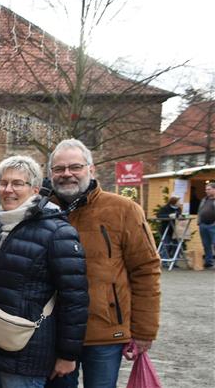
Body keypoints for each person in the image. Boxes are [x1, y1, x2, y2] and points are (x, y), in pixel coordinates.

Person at [0, 155, 88, 388]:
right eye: (3, 183)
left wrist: (68, 355)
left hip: (28, 353)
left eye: (18, 183)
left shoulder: (58, 231)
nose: (8, 190)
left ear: (35, 190)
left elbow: (75, 299)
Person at [46, 139, 160, 388]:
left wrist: (144, 330)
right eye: (59, 169)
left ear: (91, 169)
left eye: (75, 167)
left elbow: (146, 270)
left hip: (106, 331)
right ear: (51, 174)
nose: (67, 174)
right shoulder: (42, 211)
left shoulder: (123, 210)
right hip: (56, 332)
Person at [156, 196, 181, 262]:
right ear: (174, 202)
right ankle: (164, 260)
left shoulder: (178, 209)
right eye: (178, 201)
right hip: (166, 228)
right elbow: (159, 216)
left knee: (176, 245)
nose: (180, 203)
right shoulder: (165, 208)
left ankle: (174, 260)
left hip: (176, 229)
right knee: (165, 244)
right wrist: (168, 216)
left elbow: (179, 215)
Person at [198, 181, 215, 268]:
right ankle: (209, 262)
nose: (206, 191)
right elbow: (200, 211)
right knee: (206, 244)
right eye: (206, 189)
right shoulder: (204, 200)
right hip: (203, 224)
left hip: (213, 225)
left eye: (209, 189)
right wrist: (199, 222)